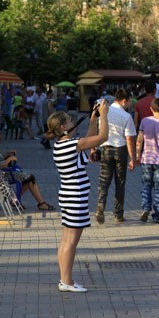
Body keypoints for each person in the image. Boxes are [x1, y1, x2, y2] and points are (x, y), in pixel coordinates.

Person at [46, 100, 110, 293]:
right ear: (64, 127)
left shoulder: (63, 145)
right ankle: (66, 282)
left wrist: (92, 118)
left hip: (69, 194)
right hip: (75, 196)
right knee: (71, 242)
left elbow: (87, 140)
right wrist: (104, 115)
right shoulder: (72, 144)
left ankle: (66, 279)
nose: (74, 121)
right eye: (70, 119)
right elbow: (101, 137)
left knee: (67, 240)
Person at [93, 89, 136, 224]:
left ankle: (100, 207)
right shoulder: (126, 116)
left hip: (105, 149)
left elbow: (96, 129)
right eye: (128, 102)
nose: (129, 105)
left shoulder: (104, 111)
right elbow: (129, 139)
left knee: (103, 181)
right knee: (120, 183)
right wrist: (132, 158)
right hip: (120, 150)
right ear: (124, 101)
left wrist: (93, 148)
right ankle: (118, 214)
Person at [0, 128, 54, 210]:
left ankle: (21, 201)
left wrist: (7, 154)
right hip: (2, 176)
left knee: (29, 179)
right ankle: (40, 203)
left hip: (3, 173)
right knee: (30, 178)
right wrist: (10, 159)